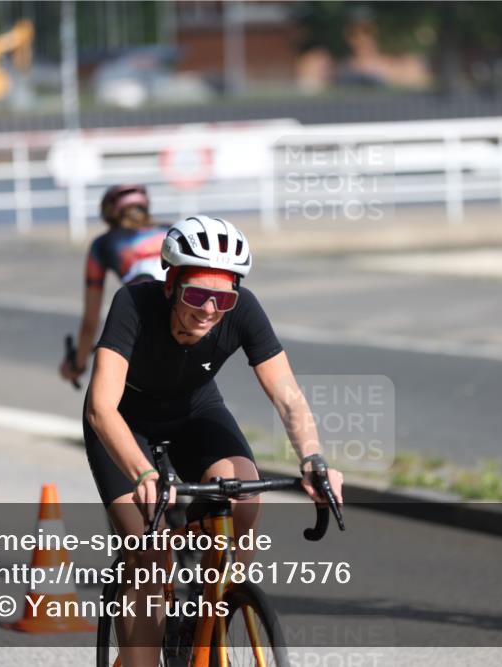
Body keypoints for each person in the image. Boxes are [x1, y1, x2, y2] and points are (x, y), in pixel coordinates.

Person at [83, 215, 344, 665]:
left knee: (244, 496)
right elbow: (100, 407)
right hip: (125, 424)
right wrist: (142, 471)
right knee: (151, 553)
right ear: (171, 287)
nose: (209, 309)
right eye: (197, 295)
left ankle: (210, 615)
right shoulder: (134, 303)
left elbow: (286, 394)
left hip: (194, 412)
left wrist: (313, 458)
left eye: (222, 298)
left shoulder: (243, 309)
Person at [59, 183, 168, 383]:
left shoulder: (103, 245)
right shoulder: (173, 230)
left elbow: (91, 320)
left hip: (142, 323)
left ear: (109, 212)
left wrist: (78, 363)